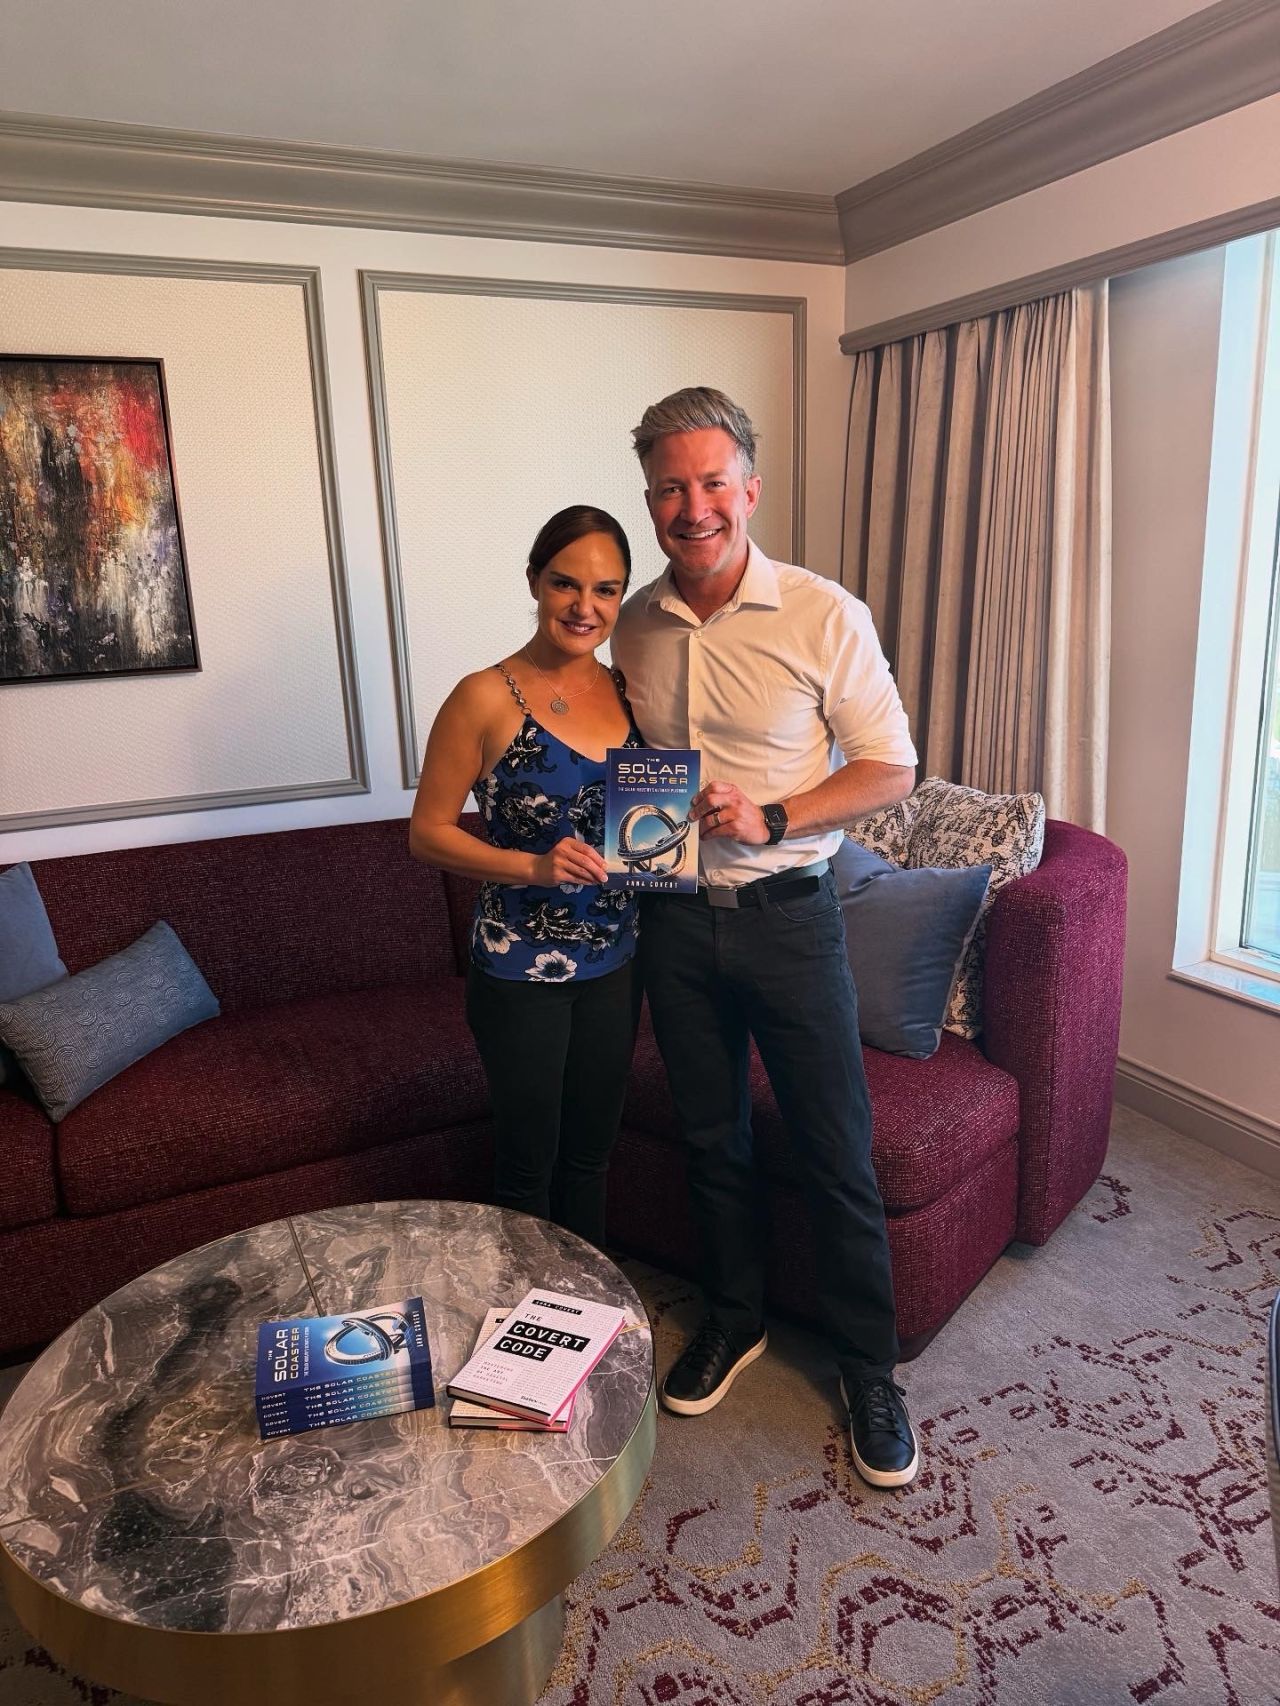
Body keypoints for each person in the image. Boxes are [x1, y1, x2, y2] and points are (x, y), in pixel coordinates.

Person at [611, 387, 921, 1488]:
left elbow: (892, 767)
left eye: (710, 482)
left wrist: (777, 816)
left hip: (791, 922)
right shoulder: (632, 624)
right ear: (650, 498)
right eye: (669, 488)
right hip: (673, 924)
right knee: (711, 1141)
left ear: (749, 488)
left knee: (836, 1151)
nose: (691, 506)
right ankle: (734, 1318)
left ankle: (870, 1369)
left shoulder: (822, 613)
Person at [409, 505, 641, 1248]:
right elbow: (427, 833)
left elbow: (647, 816)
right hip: (519, 967)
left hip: (617, 959)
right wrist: (534, 865)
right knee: (526, 1170)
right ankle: (523, 1316)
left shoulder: (630, 689)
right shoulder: (483, 695)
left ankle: (591, 1309)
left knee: (591, 1160)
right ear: (535, 581)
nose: (584, 606)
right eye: (566, 583)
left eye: (606, 590)